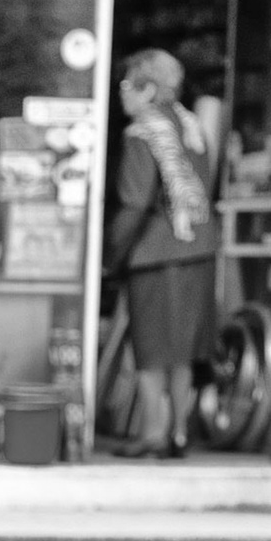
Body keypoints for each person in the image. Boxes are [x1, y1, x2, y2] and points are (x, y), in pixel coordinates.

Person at [107, 48, 221, 459]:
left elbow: (136, 201)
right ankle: (178, 432)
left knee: (151, 347)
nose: (121, 96)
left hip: (156, 253)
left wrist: (112, 253)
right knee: (184, 348)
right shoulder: (192, 126)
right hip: (199, 249)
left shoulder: (142, 132)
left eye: (126, 87)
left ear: (147, 89)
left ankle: (152, 432)